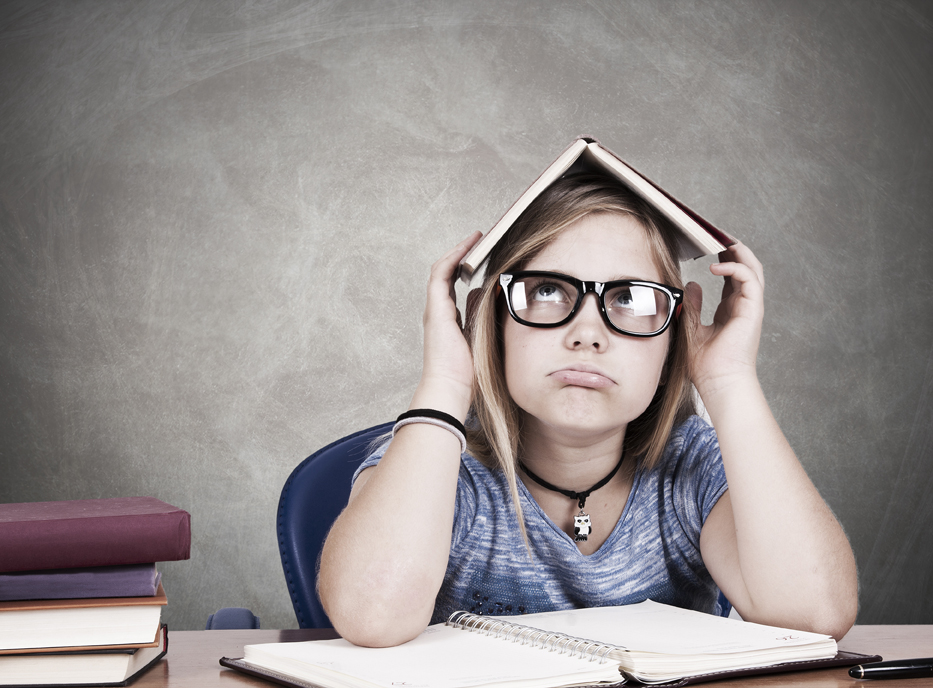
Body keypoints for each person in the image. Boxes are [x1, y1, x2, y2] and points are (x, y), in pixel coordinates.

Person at [318, 173, 858, 648]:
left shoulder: (692, 469)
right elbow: (372, 616)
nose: (587, 334)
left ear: (675, 335)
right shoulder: (434, 463)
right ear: (493, 319)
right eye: (548, 290)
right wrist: (445, 380)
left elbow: (814, 615)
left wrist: (728, 380)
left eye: (629, 297)